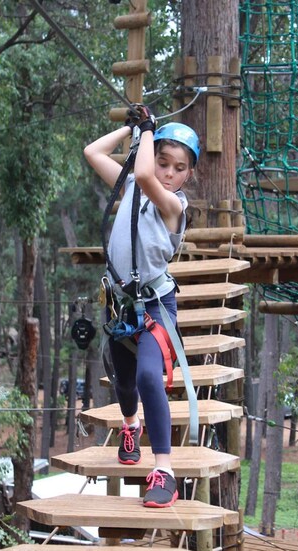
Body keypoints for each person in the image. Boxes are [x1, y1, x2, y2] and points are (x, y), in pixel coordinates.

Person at [84, 107, 200, 508]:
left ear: (188, 175)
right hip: (119, 304)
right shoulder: (131, 184)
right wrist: (130, 128)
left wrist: (148, 132)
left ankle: (164, 470)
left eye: (179, 167)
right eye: (164, 162)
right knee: (124, 382)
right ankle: (130, 425)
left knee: (150, 376)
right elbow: (92, 152)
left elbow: (149, 177)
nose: (168, 172)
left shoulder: (174, 207)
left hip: (155, 305)